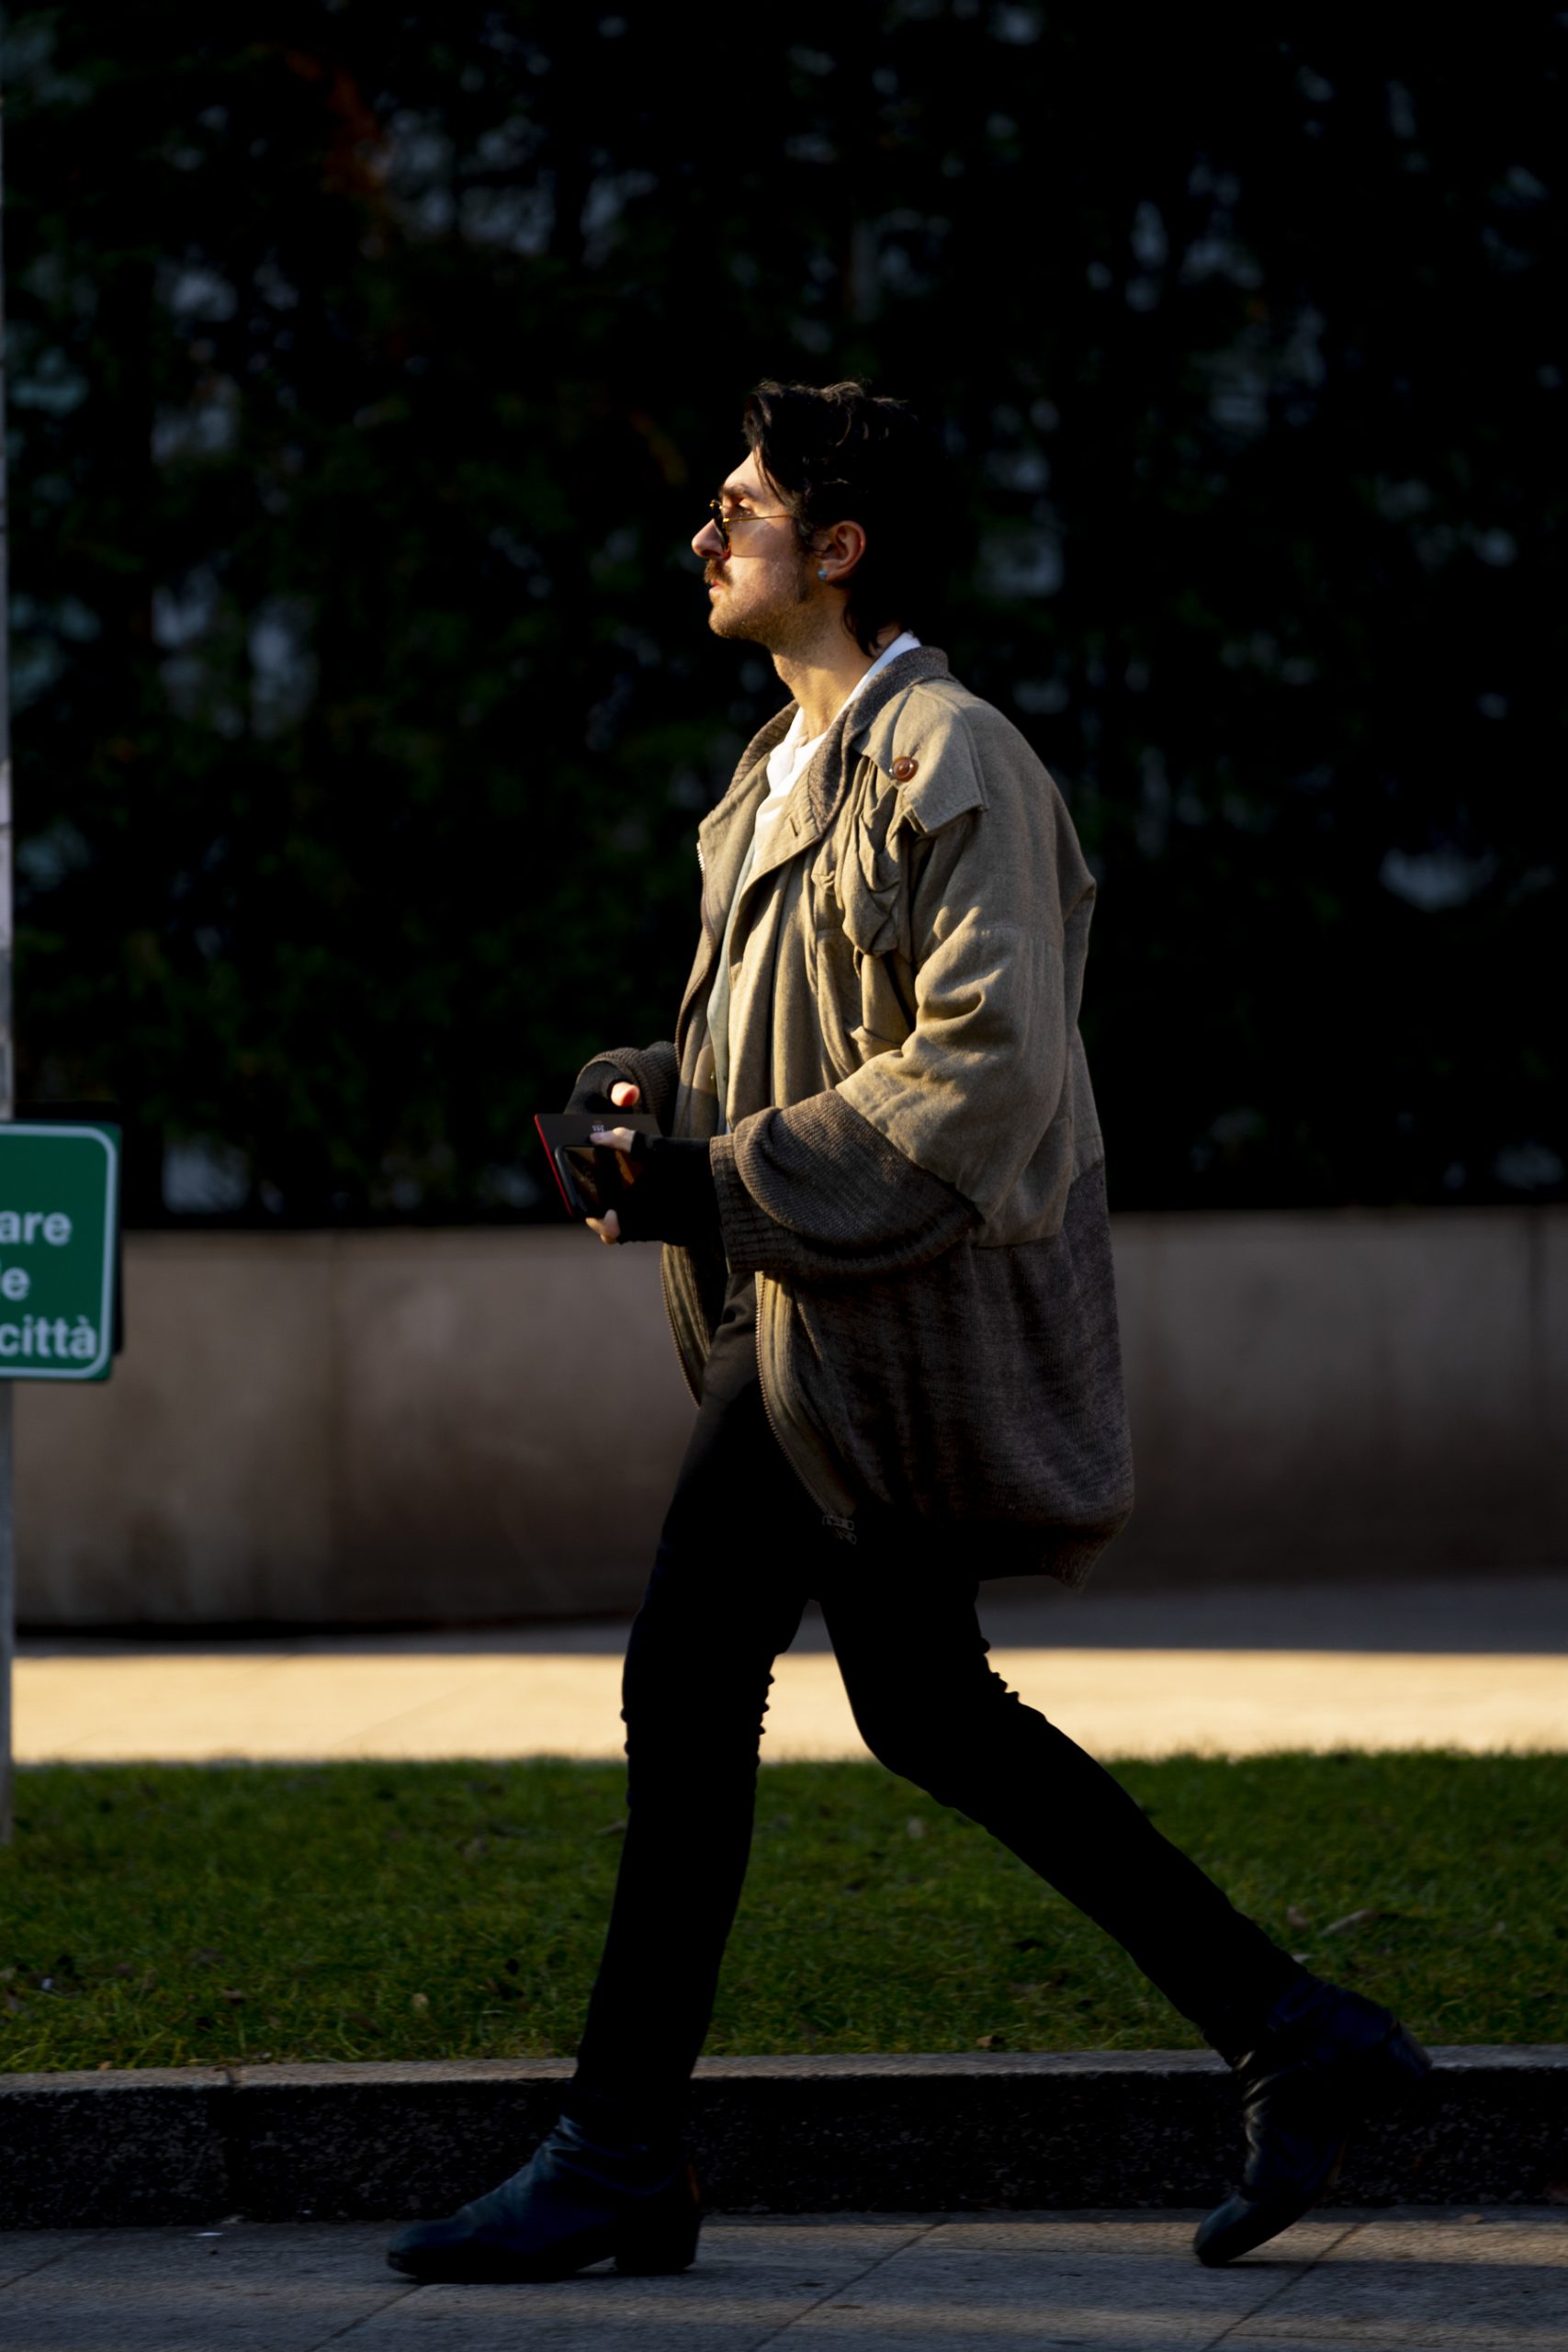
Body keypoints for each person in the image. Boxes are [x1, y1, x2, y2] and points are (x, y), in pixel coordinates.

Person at [389, 379, 1428, 2285]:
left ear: (837, 547)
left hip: (868, 1331)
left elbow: (979, 1073)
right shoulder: (763, 779)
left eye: (741, 508)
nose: (706, 536)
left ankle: (617, 2150)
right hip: (799, 1313)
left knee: (684, 1675)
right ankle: (1295, 2026)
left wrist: (717, 1176)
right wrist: (652, 1100)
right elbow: (775, 1046)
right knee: (925, 1705)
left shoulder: (951, 758)